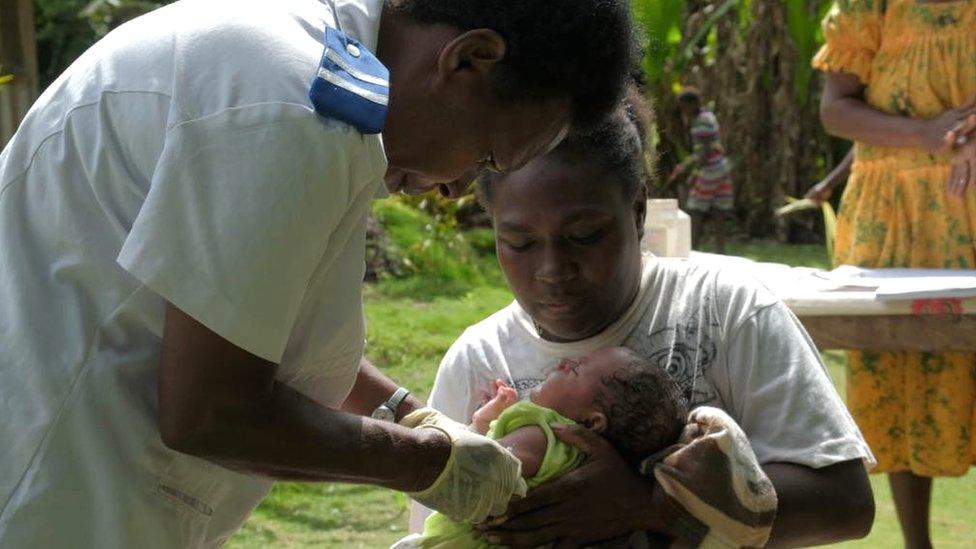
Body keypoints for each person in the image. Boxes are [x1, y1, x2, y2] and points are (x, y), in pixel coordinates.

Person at [0, 0, 637, 546]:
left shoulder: (321, 79)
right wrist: (432, 463)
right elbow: (209, 411)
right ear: (469, 59)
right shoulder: (291, 108)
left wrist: (408, 412)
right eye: (489, 155)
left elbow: (245, 320)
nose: (457, 189)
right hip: (46, 496)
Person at [411, 93, 876, 547]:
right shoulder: (478, 360)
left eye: (584, 235)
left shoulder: (726, 310)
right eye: (521, 243)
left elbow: (845, 503)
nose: (553, 270)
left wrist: (652, 504)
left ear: (636, 211)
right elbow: (439, 525)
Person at [813, 1, 976, 547]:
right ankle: (917, 544)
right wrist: (927, 133)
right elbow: (836, 110)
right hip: (891, 217)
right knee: (902, 375)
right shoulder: (871, 6)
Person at [398, 347, 690, 548]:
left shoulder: (544, 434)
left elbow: (482, 469)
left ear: (591, 423)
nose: (565, 361)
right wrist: (485, 420)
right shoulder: (579, 460)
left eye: (576, 370)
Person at [666, 87, 734, 253]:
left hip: (710, 170)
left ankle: (692, 249)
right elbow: (704, 150)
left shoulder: (699, 122)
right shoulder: (708, 116)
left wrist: (693, 176)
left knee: (695, 209)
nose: (683, 111)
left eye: (684, 107)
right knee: (719, 209)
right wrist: (684, 166)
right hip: (722, 168)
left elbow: (703, 153)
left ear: (693, 104)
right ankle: (720, 251)